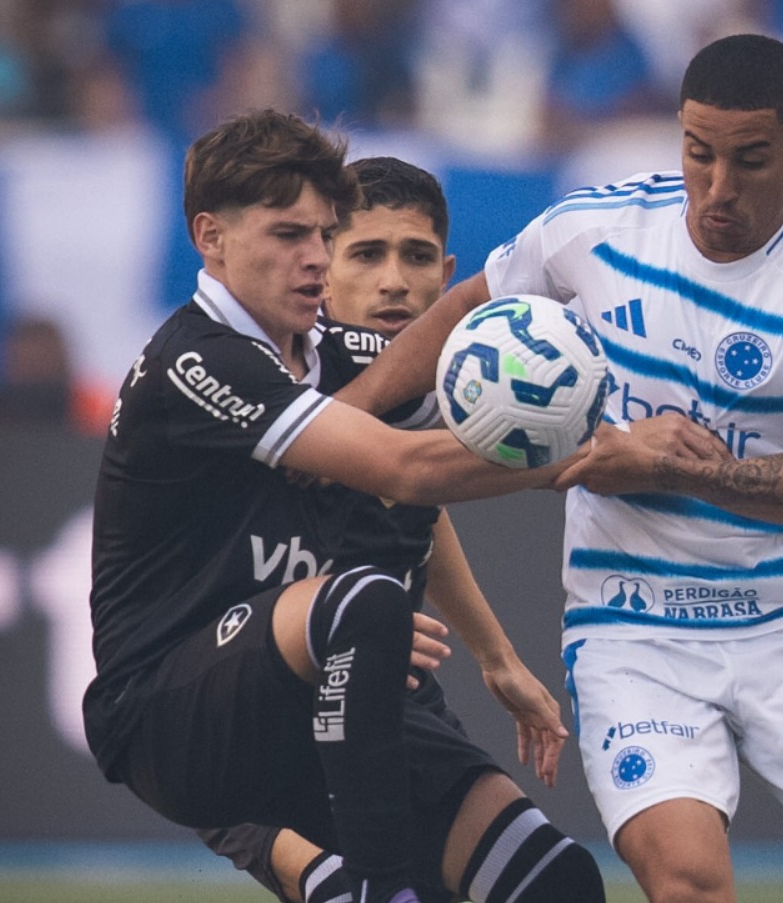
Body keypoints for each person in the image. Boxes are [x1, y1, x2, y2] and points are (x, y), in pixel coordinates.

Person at [343, 34, 783, 903]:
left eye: (749, 160)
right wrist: (335, 423)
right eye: (698, 153)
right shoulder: (596, 230)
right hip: (631, 627)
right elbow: (473, 304)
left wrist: (683, 466)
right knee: (688, 883)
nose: (717, 187)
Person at [84, 109, 605, 903]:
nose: (315, 261)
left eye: (324, 235)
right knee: (361, 601)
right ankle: (378, 889)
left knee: (556, 881)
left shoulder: (340, 352)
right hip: (173, 711)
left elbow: (439, 468)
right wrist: (580, 457)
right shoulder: (195, 361)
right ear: (211, 237)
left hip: (330, 699)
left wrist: (637, 438)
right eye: (290, 235)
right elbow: (406, 468)